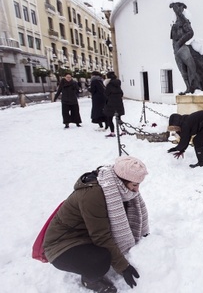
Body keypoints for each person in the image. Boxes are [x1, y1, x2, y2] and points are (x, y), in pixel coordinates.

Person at [42, 156, 149, 292]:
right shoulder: (93, 195)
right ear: (121, 181)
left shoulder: (112, 186)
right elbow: (101, 237)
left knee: (106, 251)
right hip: (62, 245)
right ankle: (90, 281)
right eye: (134, 185)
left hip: (85, 235)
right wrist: (123, 266)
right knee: (100, 261)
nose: (137, 190)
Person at [169, 0, 199, 95]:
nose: (176, 10)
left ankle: (193, 86)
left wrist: (179, 42)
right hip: (176, 49)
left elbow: (190, 33)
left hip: (181, 47)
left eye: (178, 7)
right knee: (183, 71)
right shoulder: (177, 21)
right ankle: (188, 88)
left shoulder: (183, 20)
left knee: (191, 66)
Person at [103, 71, 125, 138]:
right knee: (119, 118)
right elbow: (121, 93)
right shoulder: (118, 84)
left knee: (110, 118)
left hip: (110, 104)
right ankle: (123, 131)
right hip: (119, 103)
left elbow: (106, 94)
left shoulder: (109, 85)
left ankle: (112, 132)